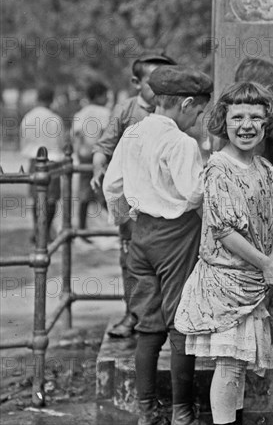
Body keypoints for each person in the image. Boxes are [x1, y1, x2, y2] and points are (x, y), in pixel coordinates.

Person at [103, 65, 213, 425]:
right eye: (197, 110)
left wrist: (125, 220)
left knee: (148, 325)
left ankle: (145, 411)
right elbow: (193, 194)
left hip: (141, 234)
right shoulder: (182, 143)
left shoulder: (133, 133)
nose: (198, 118)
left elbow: (112, 186)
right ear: (184, 103)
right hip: (177, 235)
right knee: (181, 321)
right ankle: (183, 412)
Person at [175, 82, 273, 425]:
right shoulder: (218, 169)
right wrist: (267, 264)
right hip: (226, 282)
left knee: (238, 365)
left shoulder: (265, 168)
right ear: (224, 121)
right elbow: (224, 231)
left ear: (267, 122)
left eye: (256, 117)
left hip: (255, 280)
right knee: (228, 365)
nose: (247, 125)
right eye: (237, 117)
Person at [92, 53, 176, 338]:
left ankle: (168, 319)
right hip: (132, 202)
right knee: (132, 260)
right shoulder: (126, 110)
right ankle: (133, 315)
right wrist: (98, 169)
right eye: (154, 82)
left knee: (169, 257)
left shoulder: (175, 111)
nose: (161, 88)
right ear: (136, 83)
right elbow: (103, 147)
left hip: (166, 200)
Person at [19, 85, 66, 242]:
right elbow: (61, 143)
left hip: (34, 160)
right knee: (51, 199)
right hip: (52, 161)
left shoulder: (28, 117)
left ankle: (38, 230)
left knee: (36, 197)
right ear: (51, 100)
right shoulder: (55, 118)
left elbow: (23, 142)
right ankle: (45, 231)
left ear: (37, 98)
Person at [71, 80, 111, 236]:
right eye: (106, 95)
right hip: (99, 156)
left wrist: (79, 151)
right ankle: (121, 224)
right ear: (99, 96)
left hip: (84, 155)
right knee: (104, 191)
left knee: (84, 193)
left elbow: (76, 135)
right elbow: (106, 135)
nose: (108, 99)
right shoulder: (105, 113)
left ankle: (81, 229)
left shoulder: (81, 113)